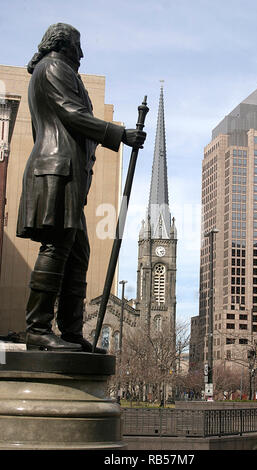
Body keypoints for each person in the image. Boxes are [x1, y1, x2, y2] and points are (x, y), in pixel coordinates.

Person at [16, 23, 146, 352]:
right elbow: (72, 114)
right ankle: (38, 329)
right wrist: (121, 135)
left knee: (77, 253)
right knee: (57, 246)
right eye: (78, 46)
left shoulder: (61, 71)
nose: (82, 54)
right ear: (64, 44)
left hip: (68, 175)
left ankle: (71, 331)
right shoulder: (53, 68)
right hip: (55, 170)